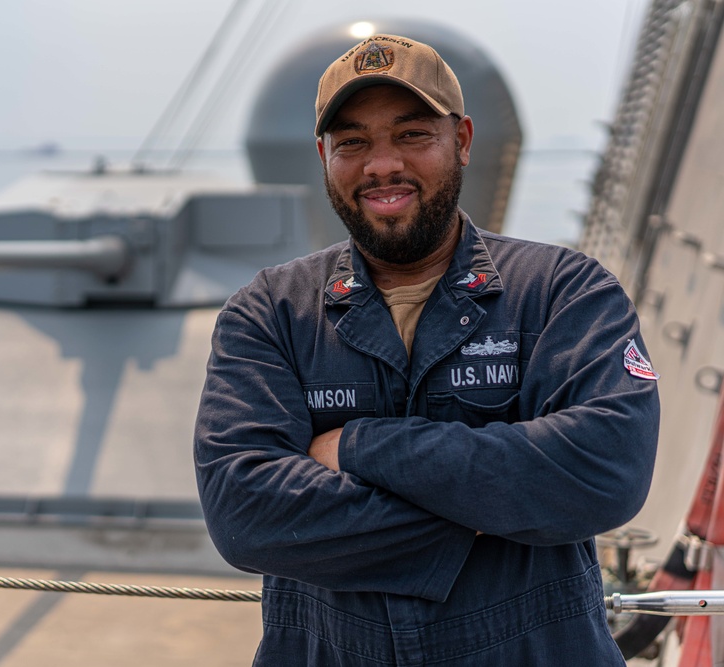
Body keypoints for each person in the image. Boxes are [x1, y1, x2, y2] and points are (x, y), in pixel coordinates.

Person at [193, 33, 660, 666]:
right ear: (324, 155)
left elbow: (603, 471)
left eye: (413, 134)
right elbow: (244, 511)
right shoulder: (271, 312)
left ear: (463, 140)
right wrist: (488, 513)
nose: (382, 164)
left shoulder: (562, 293)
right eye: (353, 142)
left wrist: (359, 446)